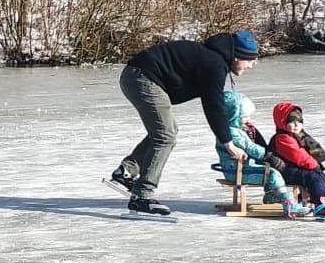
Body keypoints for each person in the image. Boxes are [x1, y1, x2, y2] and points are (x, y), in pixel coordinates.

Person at [110, 30, 261, 215]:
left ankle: (126, 171)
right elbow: (214, 107)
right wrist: (228, 144)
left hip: (139, 75)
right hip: (142, 77)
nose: (251, 66)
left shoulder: (212, 59)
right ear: (237, 57)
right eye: (250, 60)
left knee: (167, 131)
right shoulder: (214, 64)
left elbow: (214, 103)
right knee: (165, 135)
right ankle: (142, 196)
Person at [212, 88, 290, 204]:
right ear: (233, 115)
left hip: (239, 169)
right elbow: (250, 148)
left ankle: (272, 195)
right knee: (273, 174)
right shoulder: (232, 133)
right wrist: (268, 156)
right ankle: (286, 201)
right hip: (237, 172)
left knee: (270, 172)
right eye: (244, 117)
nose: (248, 120)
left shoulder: (234, 130)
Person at [265, 101, 325, 220]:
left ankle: (305, 201)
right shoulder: (283, 138)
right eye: (292, 122)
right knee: (313, 178)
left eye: (299, 121)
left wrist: (315, 167)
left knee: (313, 176)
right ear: (282, 122)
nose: (296, 125)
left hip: (292, 169)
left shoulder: (297, 136)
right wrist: (315, 166)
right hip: (283, 172)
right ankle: (320, 206)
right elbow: (299, 157)